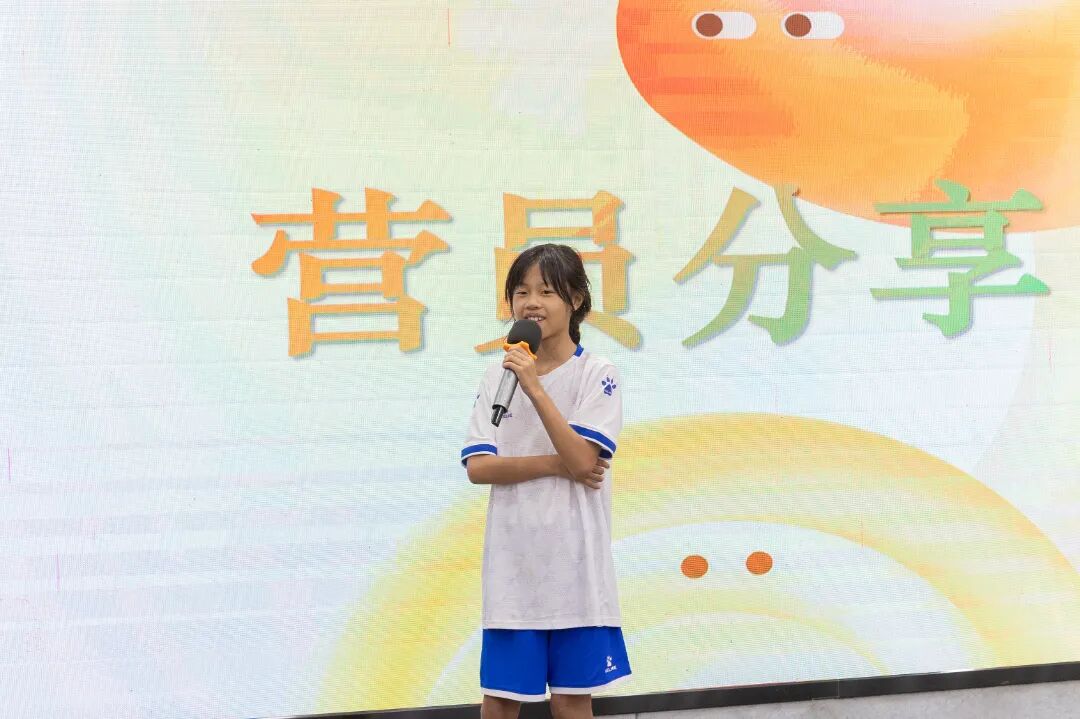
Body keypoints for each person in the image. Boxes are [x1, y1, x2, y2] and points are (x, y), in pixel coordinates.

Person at [461, 243, 632, 719]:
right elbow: (479, 467)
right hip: (513, 570)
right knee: (500, 701)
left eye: (546, 291)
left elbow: (583, 459)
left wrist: (534, 386)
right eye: (521, 292)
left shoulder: (597, 373)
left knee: (571, 701)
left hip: (576, 571)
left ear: (575, 299)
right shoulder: (497, 375)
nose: (531, 303)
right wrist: (555, 464)